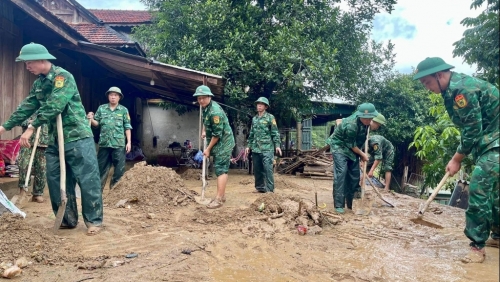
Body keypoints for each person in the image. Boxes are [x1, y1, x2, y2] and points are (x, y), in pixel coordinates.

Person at [0, 43, 103, 235]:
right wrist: (4, 126)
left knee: (87, 179)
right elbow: (27, 106)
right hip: (56, 139)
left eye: (28, 63)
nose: (26, 67)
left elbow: (55, 105)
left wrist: (30, 128)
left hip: (77, 137)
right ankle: (67, 219)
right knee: (54, 178)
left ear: (40, 59)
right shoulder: (39, 83)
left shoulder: (63, 77)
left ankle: (94, 221)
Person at [413, 57, 499, 263]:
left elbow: (472, 129)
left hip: (495, 139)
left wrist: (456, 158)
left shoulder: (462, 91)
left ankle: (477, 247)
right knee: (494, 191)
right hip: (490, 140)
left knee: (479, 187)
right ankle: (497, 235)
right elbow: (469, 128)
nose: (426, 88)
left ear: (439, 75)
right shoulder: (450, 90)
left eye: (427, 82)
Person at [326, 103, 378, 214]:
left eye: (371, 118)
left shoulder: (366, 124)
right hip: (339, 146)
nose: (370, 121)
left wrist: (362, 154)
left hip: (352, 148)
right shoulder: (351, 125)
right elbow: (351, 145)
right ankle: (339, 205)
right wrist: (363, 155)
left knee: (354, 175)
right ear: (361, 116)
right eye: (367, 119)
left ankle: (351, 203)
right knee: (341, 173)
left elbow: (359, 141)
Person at [194, 85, 235, 209]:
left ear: (209, 97)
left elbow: (217, 135)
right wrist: (204, 131)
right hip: (219, 142)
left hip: (224, 143)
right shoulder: (206, 108)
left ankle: (219, 199)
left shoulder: (215, 112)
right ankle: (221, 195)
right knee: (221, 168)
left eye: (203, 98)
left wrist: (208, 149)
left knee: (221, 169)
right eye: (199, 98)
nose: (200, 101)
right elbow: (207, 121)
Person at [87, 87, 132, 191]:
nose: (113, 97)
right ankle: (97, 192)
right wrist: (91, 119)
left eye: (115, 95)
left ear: (119, 97)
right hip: (104, 144)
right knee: (101, 169)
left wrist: (129, 142)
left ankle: (114, 192)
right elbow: (97, 124)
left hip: (119, 144)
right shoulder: (102, 108)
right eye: (111, 94)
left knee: (119, 171)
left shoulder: (124, 110)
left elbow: (127, 127)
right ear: (108, 96)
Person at [245, 97, 282, 193]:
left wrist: (277, 145)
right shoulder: (254, 119)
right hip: (256, 148)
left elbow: (275, 132)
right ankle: (260, 187)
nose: (259, 105)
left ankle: (270, 189)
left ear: (265, 107)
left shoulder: (270, 118)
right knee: (257, 169)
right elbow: (252, 133)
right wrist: (248, 146)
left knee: (268, 169)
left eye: (261, 104)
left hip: (267, 148)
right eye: (258, 104)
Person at [17, 114, 49, 203]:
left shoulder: (50, 109)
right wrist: (28, 122)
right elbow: (18, 119)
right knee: (24, 165)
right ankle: (23, 191)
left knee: (42, 169)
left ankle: (38, 193)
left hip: (43, 144)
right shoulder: (30, 107)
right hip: (27, 143)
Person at [366, 114, 394, 192]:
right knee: (367, 165)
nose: (378, 127)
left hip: (388, 151)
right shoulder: (364, 143)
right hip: (377, 152)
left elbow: (378, 158)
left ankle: (386, 187)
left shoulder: (375, 143)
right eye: (378, 125)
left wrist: (372, 171)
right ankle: (361, 183)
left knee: (387, 167)